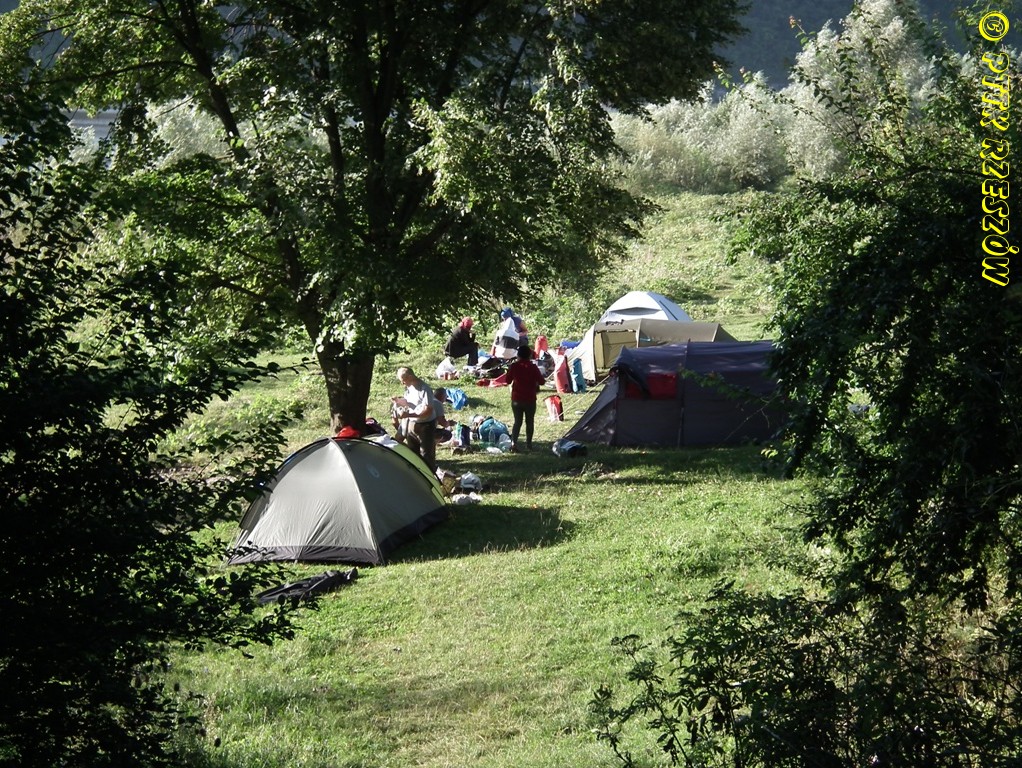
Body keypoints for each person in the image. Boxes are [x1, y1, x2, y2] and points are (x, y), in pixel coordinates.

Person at [391, 367, 439, 472]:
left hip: (425, 425)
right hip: (412, 424)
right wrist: (399, 401)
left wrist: (409, 415)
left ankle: (429, 474)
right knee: (412, 451)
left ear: (410, 377)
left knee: (426, 454)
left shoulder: (424, 389)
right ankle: (415, 473)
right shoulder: (409, 387)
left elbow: (428, 411)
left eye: (403, 380)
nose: (402, 383)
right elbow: (409, 402)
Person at [504, 346, 547, 452]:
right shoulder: (533, 367)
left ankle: (514, 443)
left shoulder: (514, 366)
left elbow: (507, 380)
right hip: (530, 399)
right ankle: (529, 444)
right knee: (530, 422)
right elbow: (542, 382)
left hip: (517, 399)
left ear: (518, 355)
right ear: (529, 355)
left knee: (517, 422)